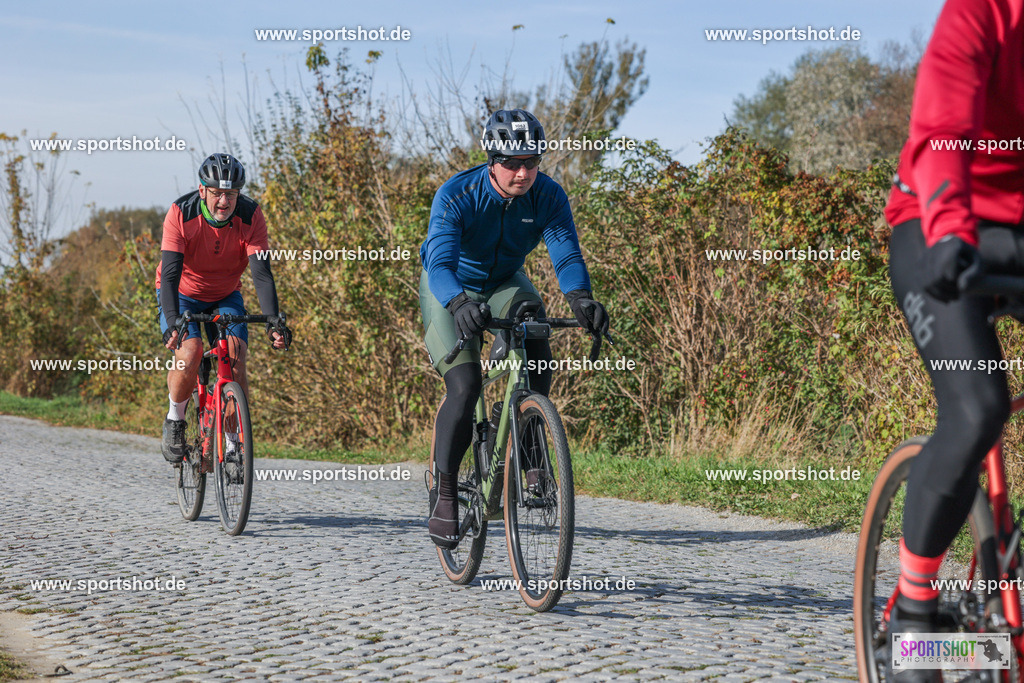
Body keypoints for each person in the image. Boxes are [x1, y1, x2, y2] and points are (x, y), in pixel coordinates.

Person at [884, 0, 1024, 678]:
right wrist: (950, 229)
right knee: (977, 407)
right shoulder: (984, 11)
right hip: (938, 221)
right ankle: (914, 612)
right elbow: (943, 124)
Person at [419, 109, 610, 548]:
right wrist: (459, 302)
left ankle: (532, 449)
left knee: (536, 328)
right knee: (465, 387)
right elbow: (440, 261)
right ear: (491, 160)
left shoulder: (548, 195)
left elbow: (566, 254)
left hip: (504, 281)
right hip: (449, 284)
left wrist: (581, 299)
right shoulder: (457, 194)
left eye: (532, 162)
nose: (523, 172)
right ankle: (446, 493)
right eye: (512, 163)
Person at [156, 153, 289, 475]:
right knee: (191, 350)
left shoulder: (251, 215)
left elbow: (261, 274)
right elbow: (171, 275)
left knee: (235, 355)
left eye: (231, 194)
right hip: (181, 294)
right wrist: (173, 321)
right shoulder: (180, 213)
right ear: (203, 190)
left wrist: (273, 321)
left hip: (226, 294)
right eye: (217, 193)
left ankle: (233, 445)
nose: (224, 201)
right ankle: (175, 419)